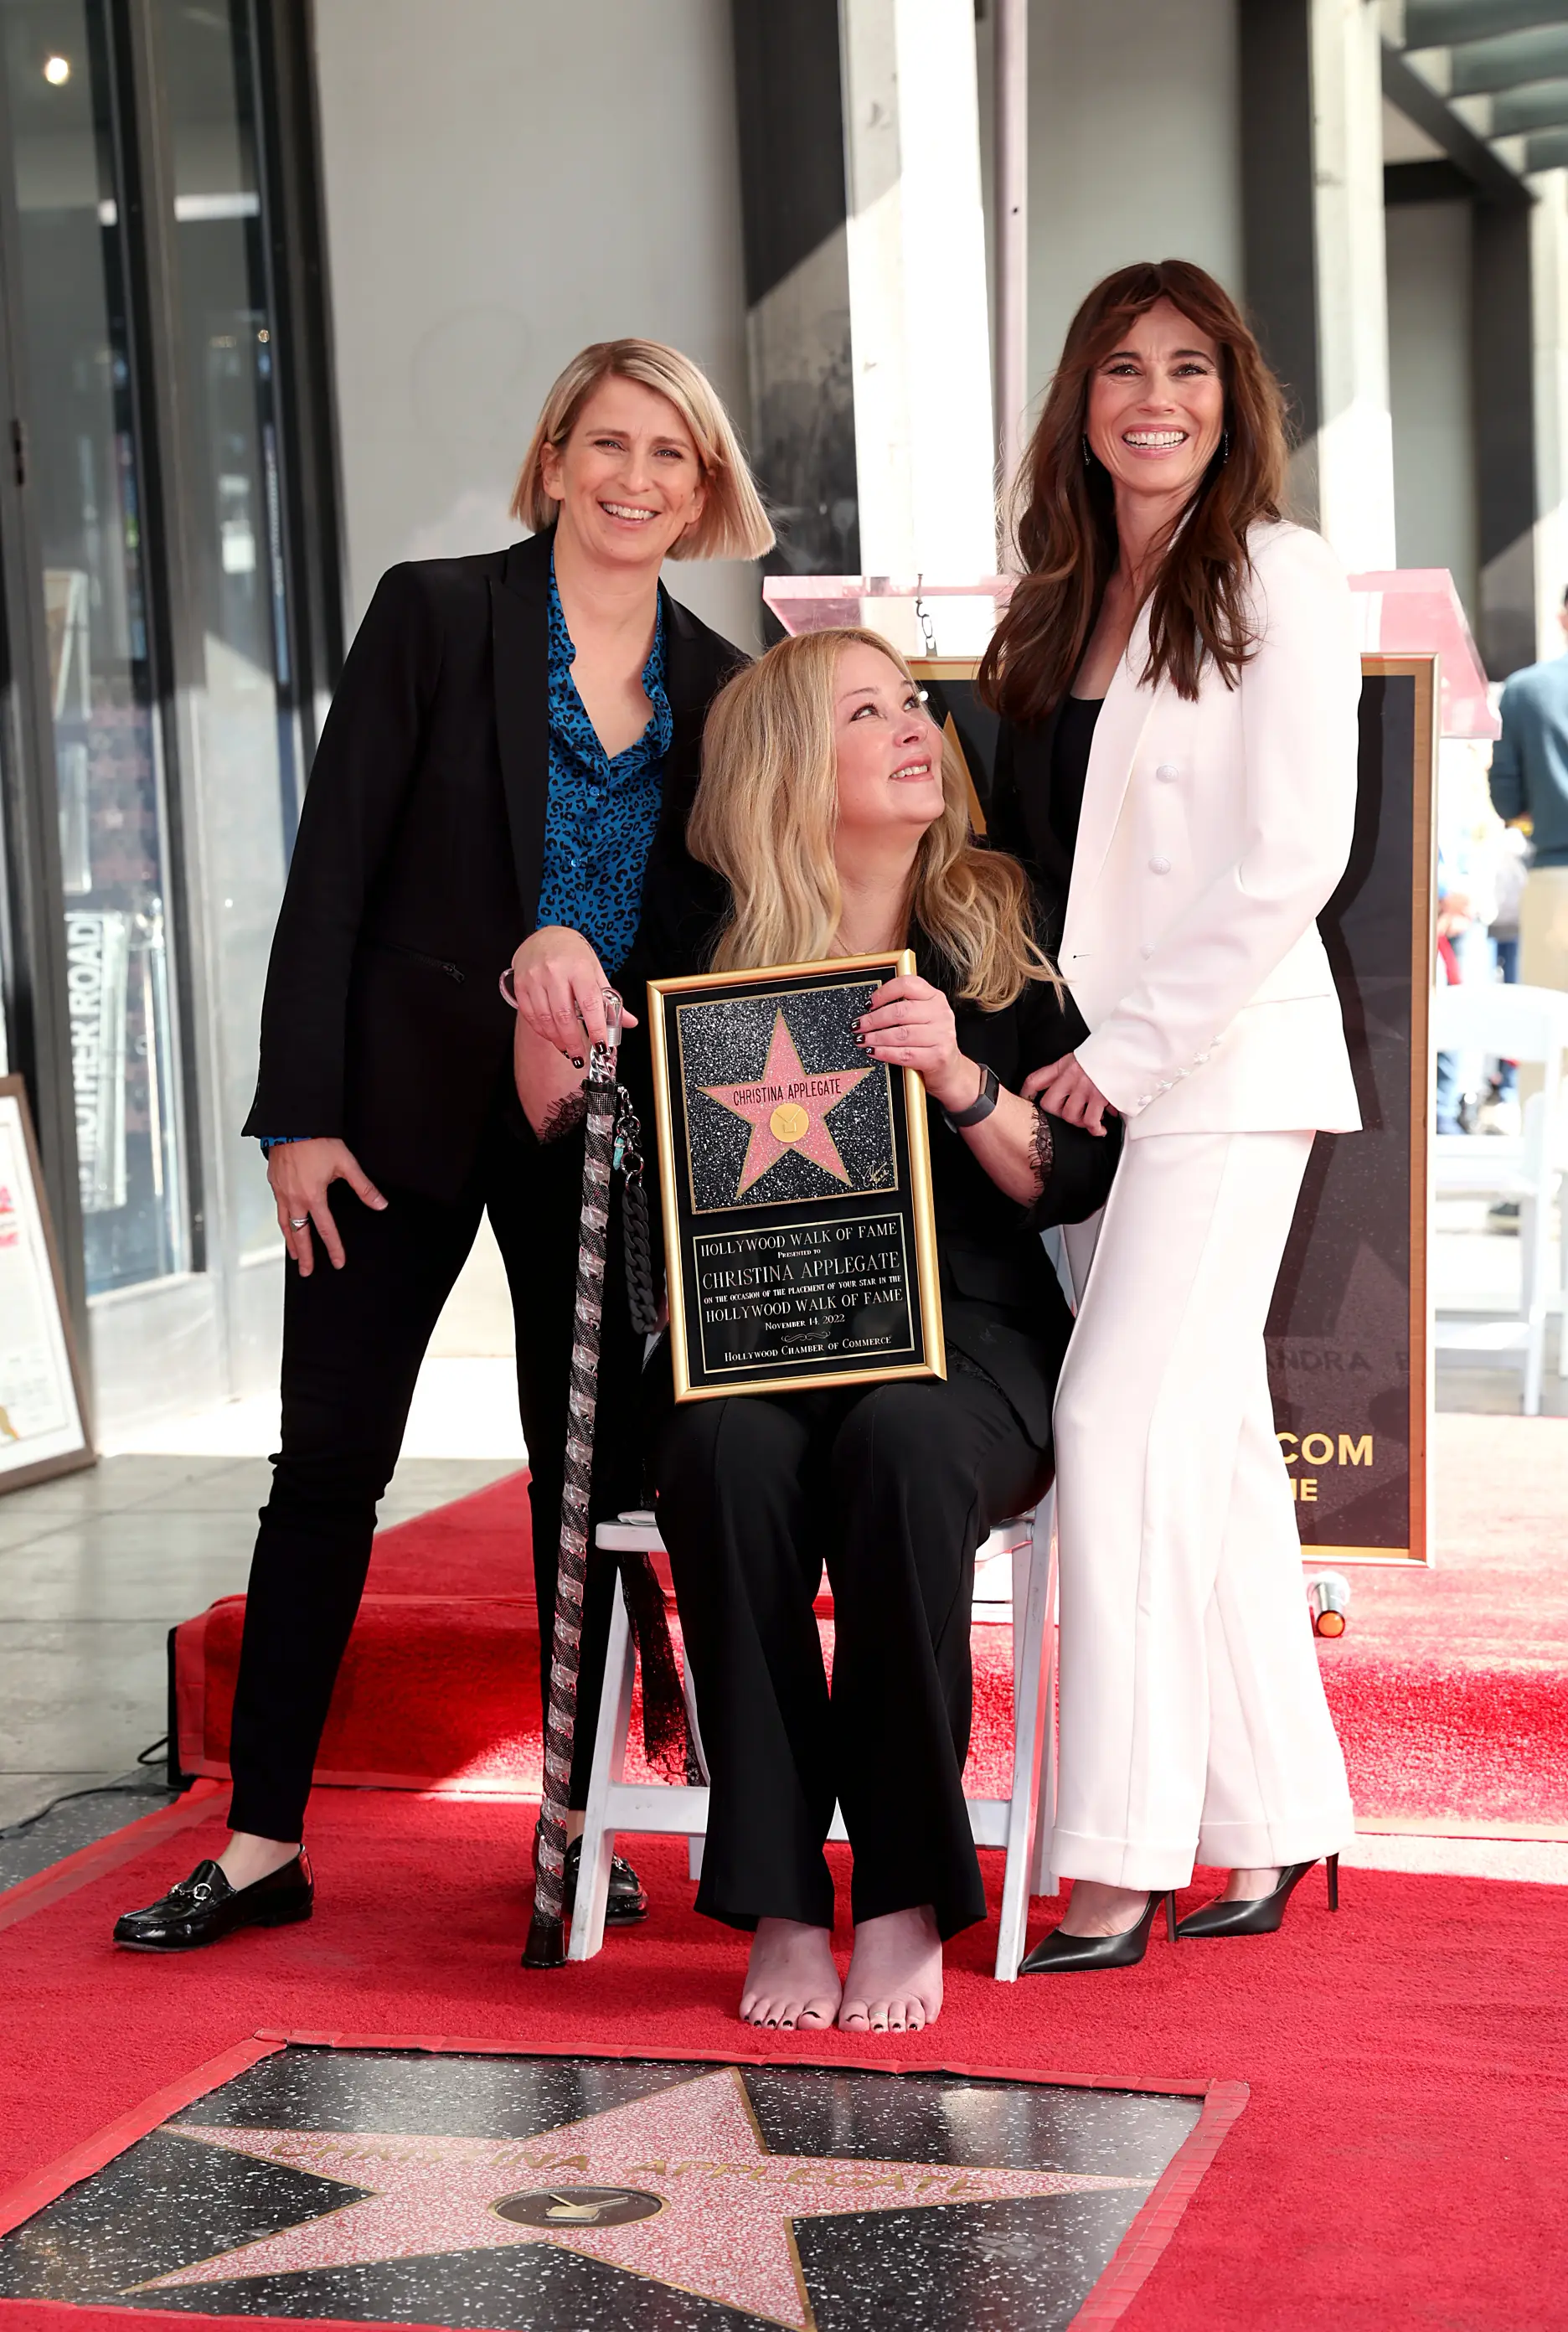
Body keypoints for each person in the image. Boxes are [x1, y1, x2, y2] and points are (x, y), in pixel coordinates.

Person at [113, 340, 772, 1953]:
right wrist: (299, 1114)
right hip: (389, 1118)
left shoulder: (721, 684)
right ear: (551, 459)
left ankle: (587, 1824)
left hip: (595, 1141)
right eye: (605, 444)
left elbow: (708, 927)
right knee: (327, 1464)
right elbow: (333, 864)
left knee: (591, 1482)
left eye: (668, 457)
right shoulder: (433, 611)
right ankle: (262, 1842)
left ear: (702, 493)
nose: (633, 479)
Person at [623, 628, 1120, 2033]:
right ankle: (783, 1892)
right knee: (719, 1452)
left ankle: (903, 1883)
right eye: (868, 710)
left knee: (903, 1440)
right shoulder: (709, 946)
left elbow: (1072, 1174)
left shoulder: (996, 921)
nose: (916, 724)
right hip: (766, 1334)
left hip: (966, 1341)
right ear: (790, 761)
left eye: (914, 702)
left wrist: (959, 1073)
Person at [980, 260, 1358, 1969]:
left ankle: (1122, 1854)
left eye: (1190, 368)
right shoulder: (1064, 594)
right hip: (1087, 1071)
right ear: (1083, 399)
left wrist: (1126, 1052)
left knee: (1117, 1429)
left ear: (1232, 394)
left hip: (1215, 1068)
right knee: (1200, 1454)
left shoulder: (1278, 572)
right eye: (1122, 368)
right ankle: (1279, 1818)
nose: (1156, 398)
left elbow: (1296, 852)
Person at [1488, 590, 1568, 1081]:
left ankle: (1550, 1151)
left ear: (1563, 617)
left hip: (1556, 880)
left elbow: (1505, 799)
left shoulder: (1526, 691)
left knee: (1549, 1032)